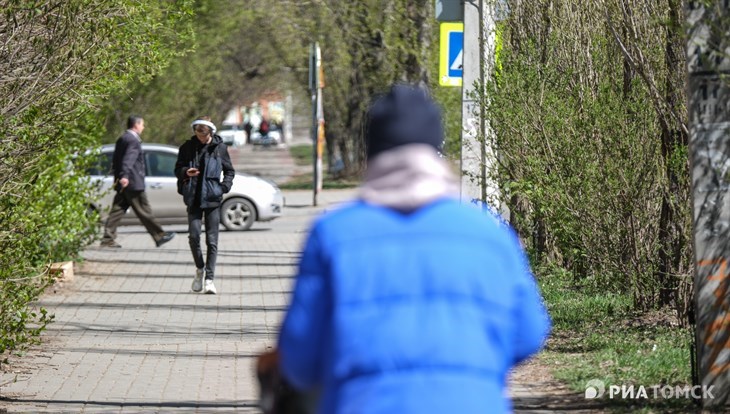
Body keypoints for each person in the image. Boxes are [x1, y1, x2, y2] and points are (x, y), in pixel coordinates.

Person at [277, 84, 551, 414]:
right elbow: (529, 333)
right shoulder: (489, 232)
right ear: (434, 149)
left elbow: (300, 359)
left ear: (374, 152)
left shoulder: (333, 233)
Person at [175, 116, 235, 294]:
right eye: (197, 135)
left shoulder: (220, 148)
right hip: (193, 197)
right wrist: (186, 171)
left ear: (210, 133)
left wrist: (223, 187)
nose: (200, 139)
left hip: (212, 199)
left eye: (203, 136)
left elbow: (230, 171)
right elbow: (177, 169)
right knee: (193, 237)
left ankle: (209, 279)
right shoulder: (187, 147)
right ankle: (199, 269)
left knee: (212, 240)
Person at [101, 115, 176, 248]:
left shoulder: (123, 138)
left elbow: (118, 160)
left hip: (124, 181)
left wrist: (120, 177)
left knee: (117, 211)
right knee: (144, 210)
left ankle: (107, 238)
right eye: (142, 124)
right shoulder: (132, 140)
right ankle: (159, 235)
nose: (143, 127)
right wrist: (125, 176)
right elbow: (128, 159)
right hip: (132, 182)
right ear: (136, 125)